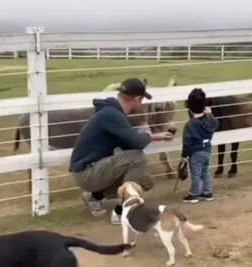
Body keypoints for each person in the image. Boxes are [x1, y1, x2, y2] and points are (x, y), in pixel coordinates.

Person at [70, 78, 174, 223]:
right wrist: (150, 137)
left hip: (92, 169)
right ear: (137, 99)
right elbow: (136, 144)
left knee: (145, 181)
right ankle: (121, 211)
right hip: (86, 172)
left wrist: (154, 136)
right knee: (137, 157)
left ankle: (95, 196)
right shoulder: (112, 115)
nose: (142, 104)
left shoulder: (112, 113)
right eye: (142, 100)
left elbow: (128, 144)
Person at [181, 88, 218, 203]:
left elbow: (187, 143)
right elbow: (216, 123)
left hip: (195, 153)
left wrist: (184, 155)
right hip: (207, 151)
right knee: (205, 172)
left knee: (195, 174)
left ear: (190, 108)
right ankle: (207, 192)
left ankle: (194, 194)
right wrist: (210, 114)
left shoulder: (190, 125)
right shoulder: (210, 121)